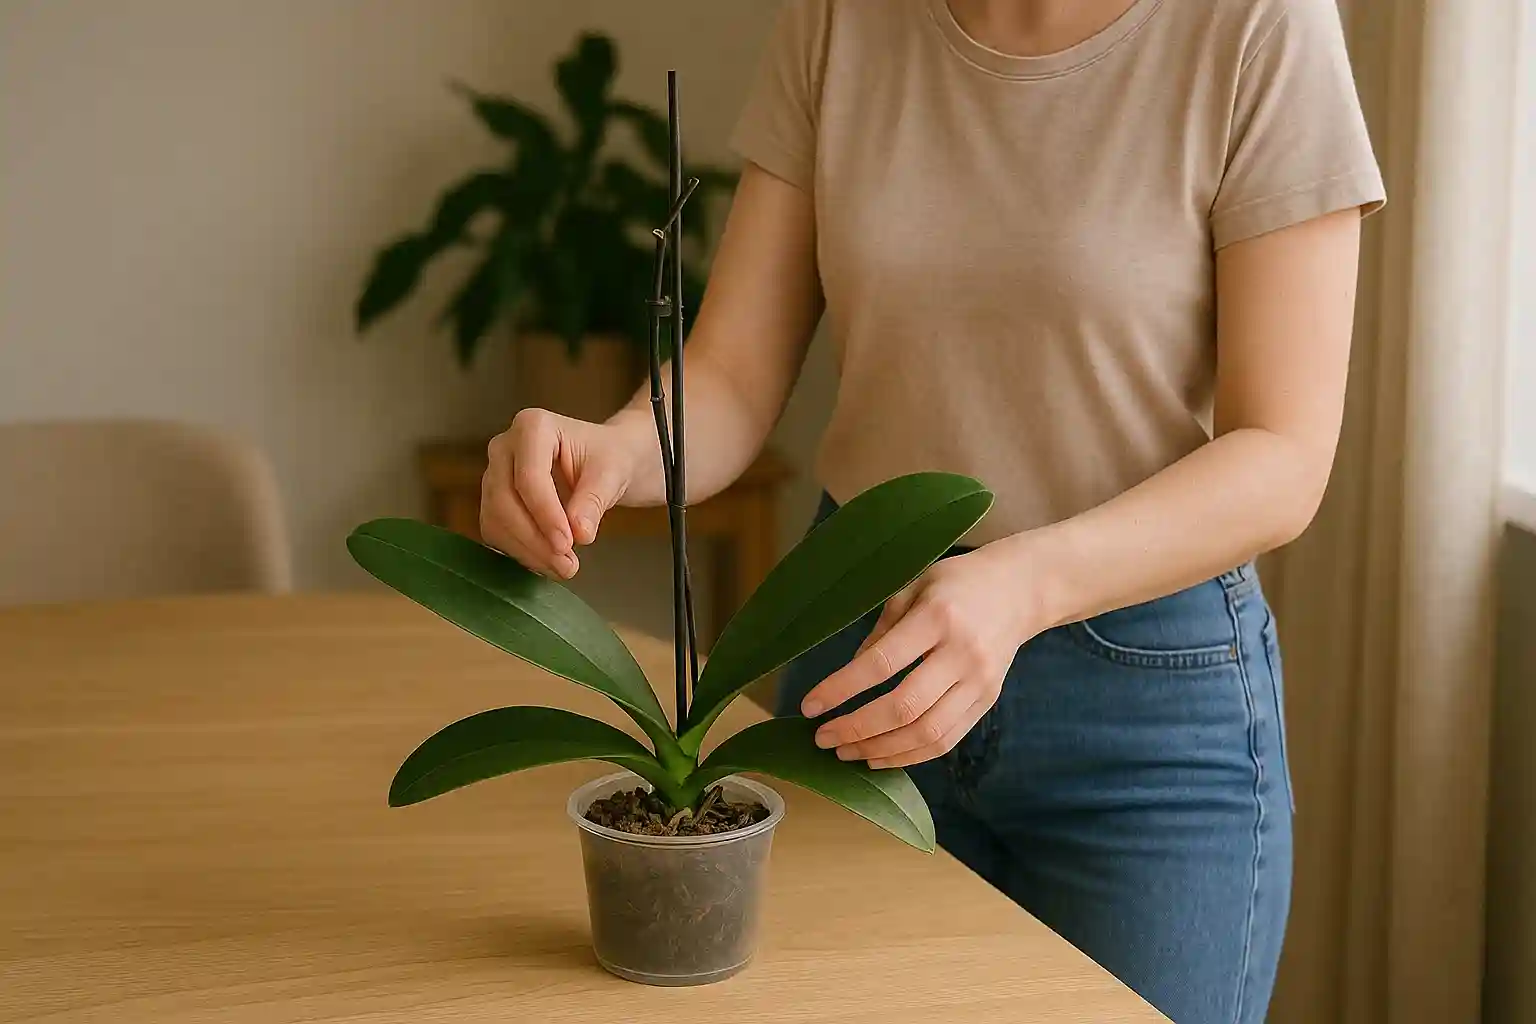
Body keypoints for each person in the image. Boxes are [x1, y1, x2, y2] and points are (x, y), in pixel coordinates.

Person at [479, 1, 1385, 1019]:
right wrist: (609, 451)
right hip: (863, 672)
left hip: (1145, 722)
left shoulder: (1259, 25)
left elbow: (1285, 456)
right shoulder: (840, 17)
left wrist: (1022, 584)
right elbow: (730, 376)